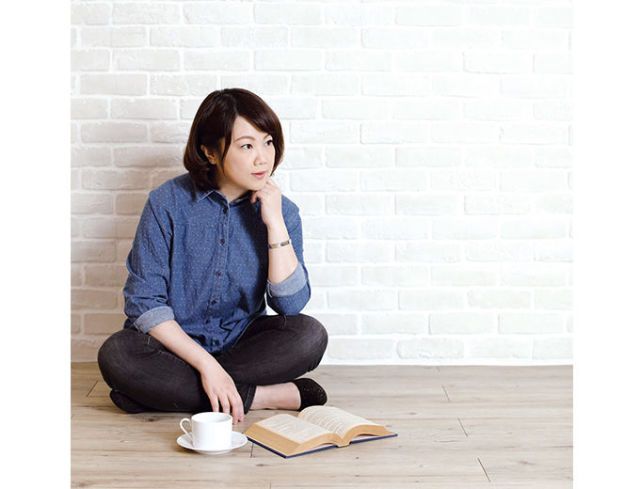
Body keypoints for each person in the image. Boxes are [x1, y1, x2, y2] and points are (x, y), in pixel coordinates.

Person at [97, 88, 329, 425]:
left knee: (310, 336)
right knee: (118, 355)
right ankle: (262, 395)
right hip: (171, 346)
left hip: (240, 341)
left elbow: (290, 306)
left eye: (268, 142)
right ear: (210, 152)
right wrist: (207, 365)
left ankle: (155, 393)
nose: (263, 158)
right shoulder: (166, 203)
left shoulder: (283, 211)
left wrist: (275, 223)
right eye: (247, 145)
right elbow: (143, 302)